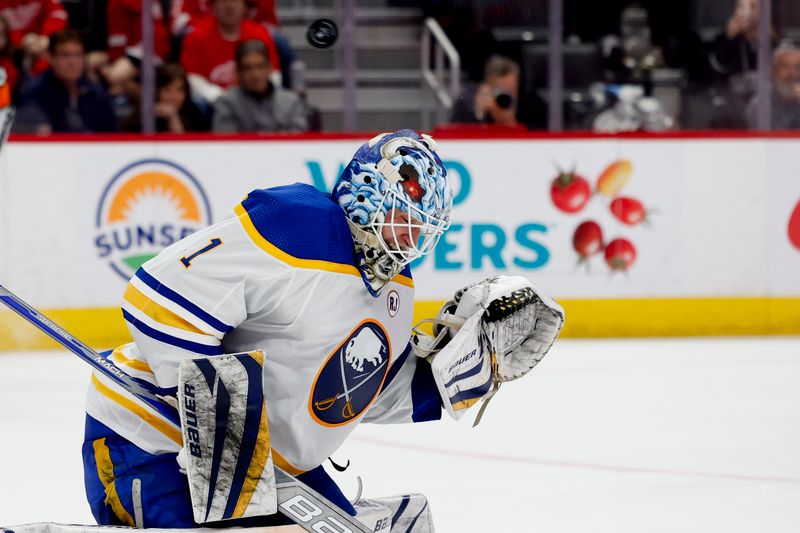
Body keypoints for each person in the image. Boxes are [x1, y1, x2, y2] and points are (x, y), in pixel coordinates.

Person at [79, 129, 564, 529]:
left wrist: (456, 374)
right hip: (150, 439)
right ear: (366, 195)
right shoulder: (298, 225)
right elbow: (157, 296)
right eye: (401, 219)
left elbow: (349, 395)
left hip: (271, 471)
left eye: (420, 229)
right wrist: (226, 448)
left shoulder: (396, 290)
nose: (410, 238)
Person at [13, 28, 117, 133]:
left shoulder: (95, 92)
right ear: (51, 58)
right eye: (65, 55)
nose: (72, 62)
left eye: (77, 55)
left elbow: (112, 135)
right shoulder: (34, 93)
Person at [180, 0, 280, 102]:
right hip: (214, 101)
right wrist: (221, 97)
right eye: (223, 1)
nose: (229, 6)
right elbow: (192, 78)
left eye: (235, 1)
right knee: (198, 102)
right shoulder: (196, 36)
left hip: (255, 99)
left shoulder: (260, 34)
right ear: (213, 6)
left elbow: (274, 74)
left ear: (245, 6)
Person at [212, 39, 306, 133]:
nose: (255, 75)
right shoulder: (227, 104)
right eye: (247, 68)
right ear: (238, 72)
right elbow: (226, 143)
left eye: (260, 66)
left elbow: (298, 142)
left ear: (269, 68)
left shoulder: (291, 102)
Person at [450, 54, 545, 130]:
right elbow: (456, 137)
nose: (504, 96)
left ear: (517, 84)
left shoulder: (531, 105)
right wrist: (478, 115)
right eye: (499, 90)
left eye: (509, 90)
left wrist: (510, 123)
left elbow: (539, 140)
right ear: (486, 86)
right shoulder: (467, 105)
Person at [0, 0, 67, 75]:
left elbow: (58, 15)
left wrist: (45, 37)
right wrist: (22, 41)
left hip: (43, 46)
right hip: (10, 52)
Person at [746, 43, 800, 129]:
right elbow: (768, 140)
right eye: (785, 66)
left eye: (797, 67)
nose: (793, 74)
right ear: (773, 71)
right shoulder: (759, 106)